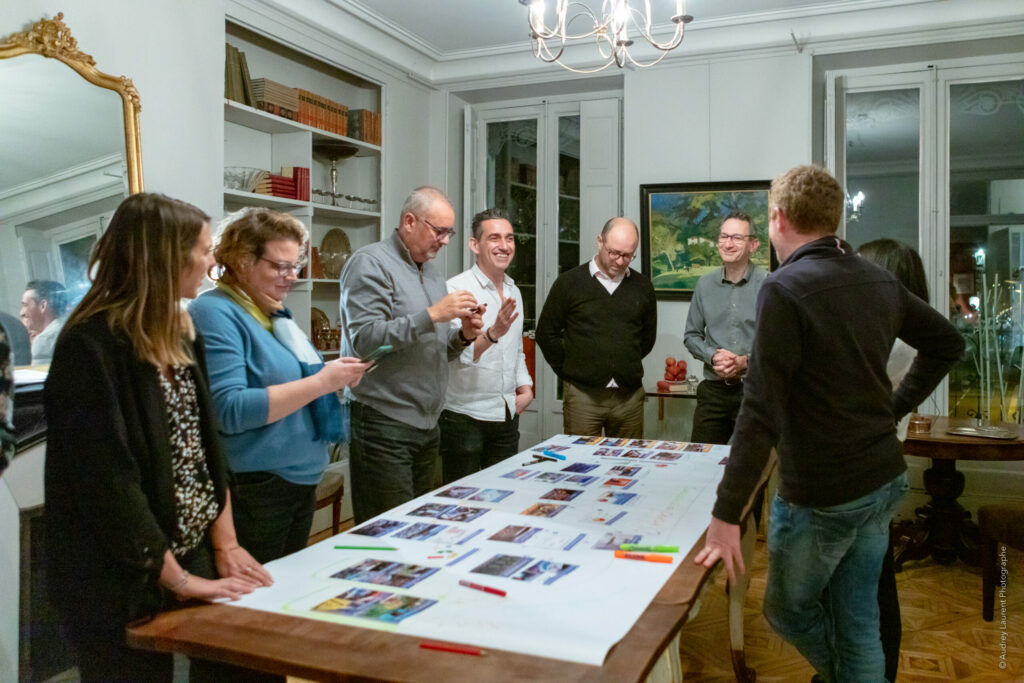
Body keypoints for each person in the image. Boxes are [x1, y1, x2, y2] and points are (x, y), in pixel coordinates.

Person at [695, 166, 963, 683]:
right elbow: (948, 343)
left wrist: (728, 512)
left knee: (786, 611)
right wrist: (892, 408)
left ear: (776, 218)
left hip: (824, 491)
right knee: (859, 621)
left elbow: (760, 410)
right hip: (882, 479)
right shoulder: (876, 277)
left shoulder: (785, 286)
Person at [43, 193, 274, 681]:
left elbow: (206, 447)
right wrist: (180, 579)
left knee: (248, 664)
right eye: (205, 249)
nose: (213, 261)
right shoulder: (89, 345)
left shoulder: (180, 330)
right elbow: (108, 484)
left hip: (188, 550)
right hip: (120, 572)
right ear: (166, 256)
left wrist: (226, 544)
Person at [190, 208, 370, 563]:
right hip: (258, 488)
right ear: (242, 261)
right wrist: (321, 382)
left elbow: (294, 380)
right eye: (280, 266)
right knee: (257, 602)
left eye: (295, 265)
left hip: (295, 481)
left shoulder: (272, 312)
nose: (292, 276)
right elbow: (229, 410)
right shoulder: (214, 312)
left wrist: (332, 374)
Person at [340, 186, 484, 523]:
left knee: (418, 529)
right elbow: (367, 343)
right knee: (387, 532)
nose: (445, 241)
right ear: (409, 221)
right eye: (439, 231)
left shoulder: (432, 273)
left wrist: (463, 336)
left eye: (449, 233)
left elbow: (430, 349)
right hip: (382, 422)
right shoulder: (370, 263)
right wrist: (432, 315)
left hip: (426, 425)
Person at [858, 237, 931, 683]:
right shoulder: (898, 332)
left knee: (872, 588)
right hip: (877, 470)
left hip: (868, 475)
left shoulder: (894, 341)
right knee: (868, 585)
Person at [536, 217, 657, 438]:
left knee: (627, 466)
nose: (620, 261)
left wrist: (622, 361)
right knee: (579, 465)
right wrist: (570, 370)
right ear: (600, 242)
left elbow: (647, 339)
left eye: (627, 256)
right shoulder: (569, 283)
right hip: (583, 397)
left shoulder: (643, 286)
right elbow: (546, 334)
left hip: (628, 398)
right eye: (614, 253)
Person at [440, 208, 534, 483]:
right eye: (494, 238)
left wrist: (526, 388)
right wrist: (492, 334)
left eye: (510, 238)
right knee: (460, 502)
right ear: (474, 245)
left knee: (503, 498)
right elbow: (456, 355)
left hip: (506, 414)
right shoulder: (456, 290)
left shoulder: (514, 290)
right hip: (464, 417)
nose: (504, 246)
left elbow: (516, 349)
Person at [684, 211, 767, 444]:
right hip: (714, 392)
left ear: (753, 244)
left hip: (754, 391)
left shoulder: (769, 285)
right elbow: (691, 336)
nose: (728, 244)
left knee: (752, 470)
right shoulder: (704, 284)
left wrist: (744, 362)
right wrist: (713, 357)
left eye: (737, 238)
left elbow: (778, 344)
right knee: (699, 462)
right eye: (724, 236)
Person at [20, 279, 66, 365]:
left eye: (25, 305)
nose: (21, 312)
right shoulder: (73, 328)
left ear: (42, 306)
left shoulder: (44, 340)